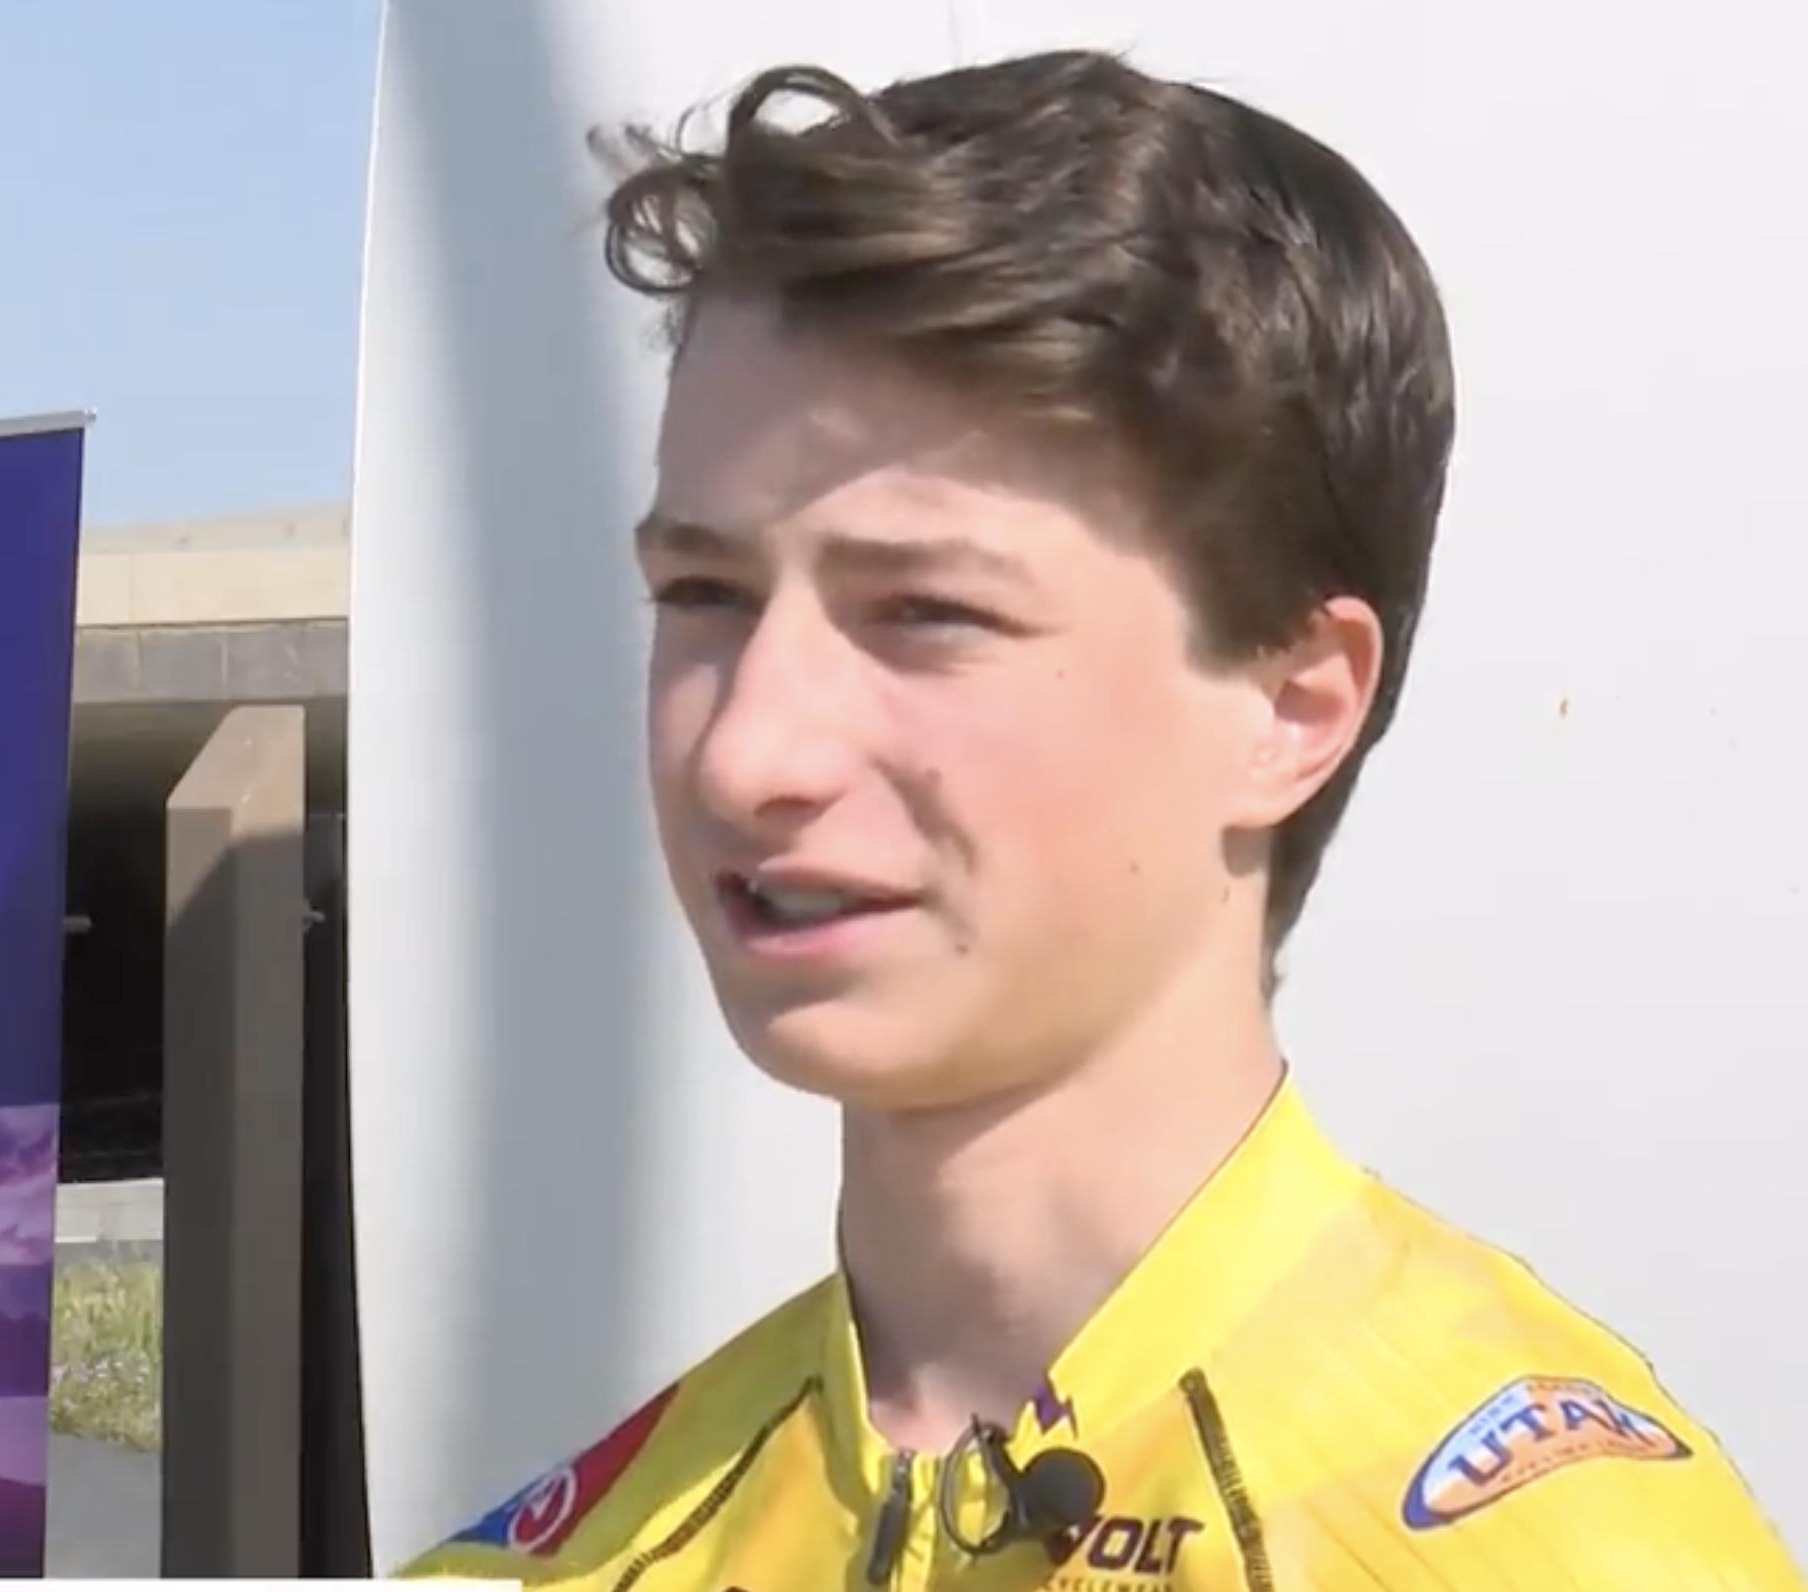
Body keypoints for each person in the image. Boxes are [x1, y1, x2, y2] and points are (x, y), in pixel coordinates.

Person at [400, 48, 1804, 1591]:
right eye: (704, 595)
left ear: (1293, 707)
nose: (746, 752)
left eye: (925, 610)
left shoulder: (1563, 1554)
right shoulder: (552, 1560)